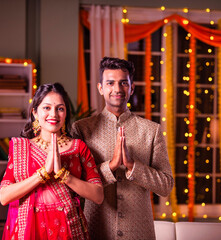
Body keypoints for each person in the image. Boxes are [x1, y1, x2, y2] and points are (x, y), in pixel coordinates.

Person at [72, 57, 174, 240]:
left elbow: (166, 186)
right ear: (100, 88)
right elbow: (75, 184)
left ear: (131, 88)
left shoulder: (152, 130)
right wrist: (110, 166)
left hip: (139, 233)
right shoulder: (82, 129)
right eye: (110, 83)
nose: (117, 89)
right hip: (95, 230)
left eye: (123, 83)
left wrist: (133, 166)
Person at [0, 83, 104, 240]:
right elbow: (4, 196)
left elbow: (98, 195)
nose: (53, 114)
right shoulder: (22, 147)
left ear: (66, 113)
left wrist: (63, 174)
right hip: (30, 230)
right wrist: (43, 173)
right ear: (35, 112)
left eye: (60, 108)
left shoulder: (78, 147)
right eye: (46, 108)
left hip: (67, 229)